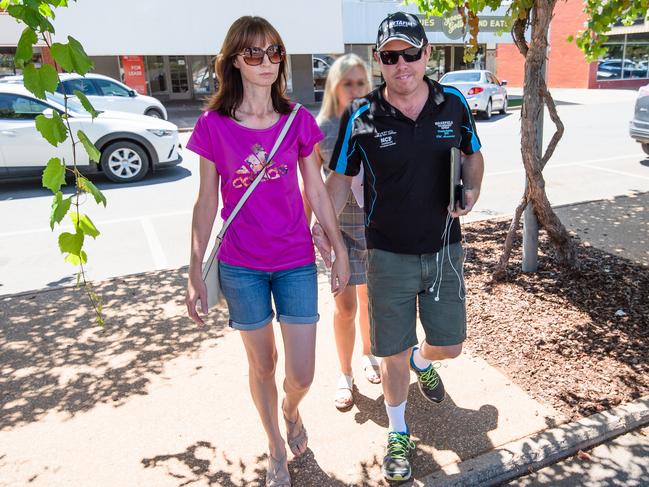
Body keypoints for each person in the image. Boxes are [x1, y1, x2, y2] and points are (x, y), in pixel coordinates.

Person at [184, 16, 350, 487]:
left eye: (274, 52)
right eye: (254, 54)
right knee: (263, 364)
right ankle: (275, 444)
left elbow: (316, 192)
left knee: (301, 374)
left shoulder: (297, 120)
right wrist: (194, 271)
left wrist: (337, 248)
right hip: (241, 267)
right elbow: (206, 201)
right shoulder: (213, 125)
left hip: (295, 260)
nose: (267, 62)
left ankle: (291, 410)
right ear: (234, 60)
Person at [324, 12, 485, 482]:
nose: (402, 64)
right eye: (391, 56)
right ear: (380, 61)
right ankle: (398, 431)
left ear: (427, 54)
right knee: (390, 351)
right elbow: (337, 181)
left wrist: (471, 192)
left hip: (443, 249)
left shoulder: (453, 103)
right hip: (386, 255)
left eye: (410, 53)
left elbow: (473, 155)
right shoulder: (361, 114)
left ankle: (422, 360)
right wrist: (325, 234)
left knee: (449, 346)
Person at [307, 54, 381, 412]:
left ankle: (368, 355)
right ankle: (345, 373)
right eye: (346, 83)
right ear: (333, 88)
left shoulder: (379, 121)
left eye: (360, 83)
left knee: (369, 300)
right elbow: (310, 189)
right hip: (340, 230)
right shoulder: (319, 129)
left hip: (376, 228)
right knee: (346, 306)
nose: (354, 90)